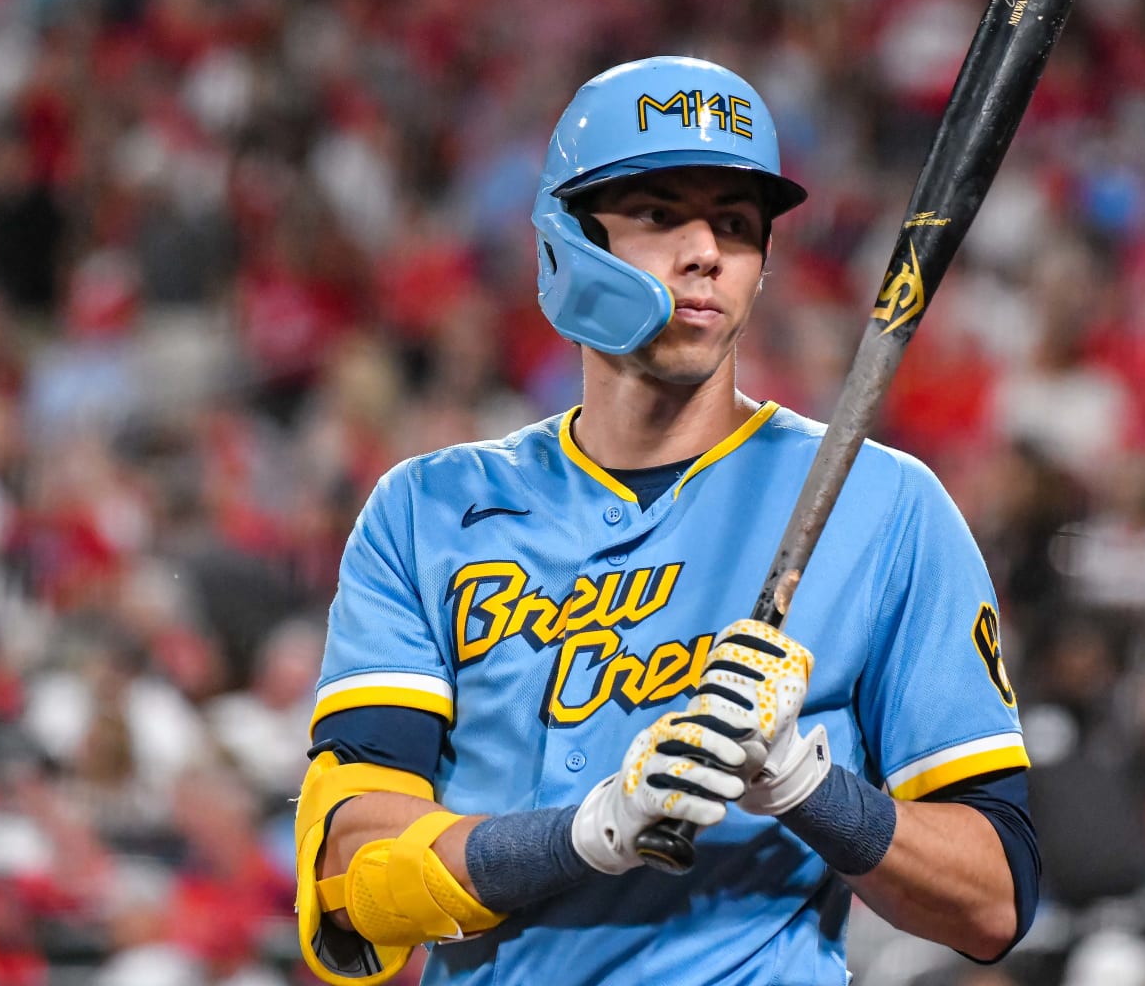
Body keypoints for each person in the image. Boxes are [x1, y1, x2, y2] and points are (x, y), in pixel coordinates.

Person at [293, 57, 1039, 985]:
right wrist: (589, 833)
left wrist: (809, 791)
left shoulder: (883, 504)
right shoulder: (428, 511)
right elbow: (348, 874)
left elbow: (996, 897)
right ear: (567, 240)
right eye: (658, 215)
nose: (704, 253)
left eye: (734, 224)